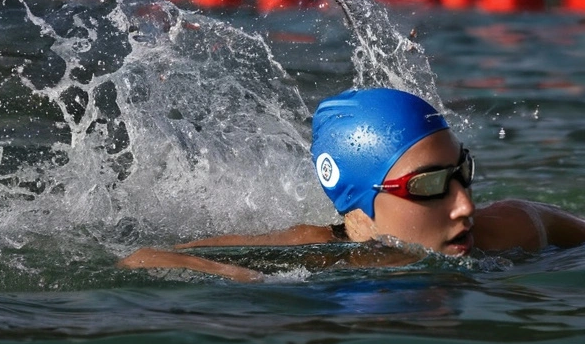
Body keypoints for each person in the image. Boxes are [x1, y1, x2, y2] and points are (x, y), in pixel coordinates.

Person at [119, 87, 585, 282]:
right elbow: (142, 259)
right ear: (359, 210)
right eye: (429, 187)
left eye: (463, 174)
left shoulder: (517, 230)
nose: (465, 205)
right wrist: (258, 281)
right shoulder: (319, 255)